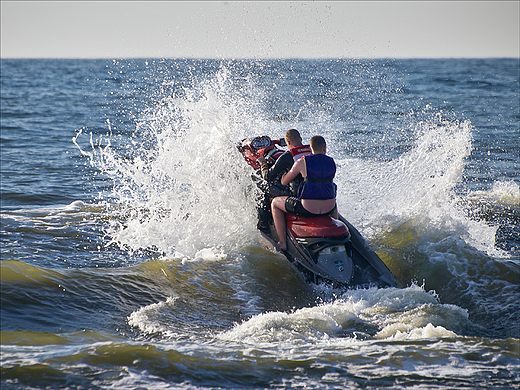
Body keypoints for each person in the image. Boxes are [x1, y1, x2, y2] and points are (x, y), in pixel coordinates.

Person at [271, 135, 338, 250]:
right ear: (324, 147)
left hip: (307, 209)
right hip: (329, 209)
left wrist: (283, 177)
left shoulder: (302, 162)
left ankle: (282, 242)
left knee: (275, 203)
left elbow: (284, 181)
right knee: (331, 194)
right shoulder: (332, 162)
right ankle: (336, 226)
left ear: (310, 148)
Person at [255, 129, 311, 232]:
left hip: (296, 197)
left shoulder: (288, 155)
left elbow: (267, 176)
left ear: (288, 142)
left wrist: (263, 163)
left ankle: (263, 225)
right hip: (315, 195)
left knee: (259, 183)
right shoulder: (312, 151)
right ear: (301, 139)